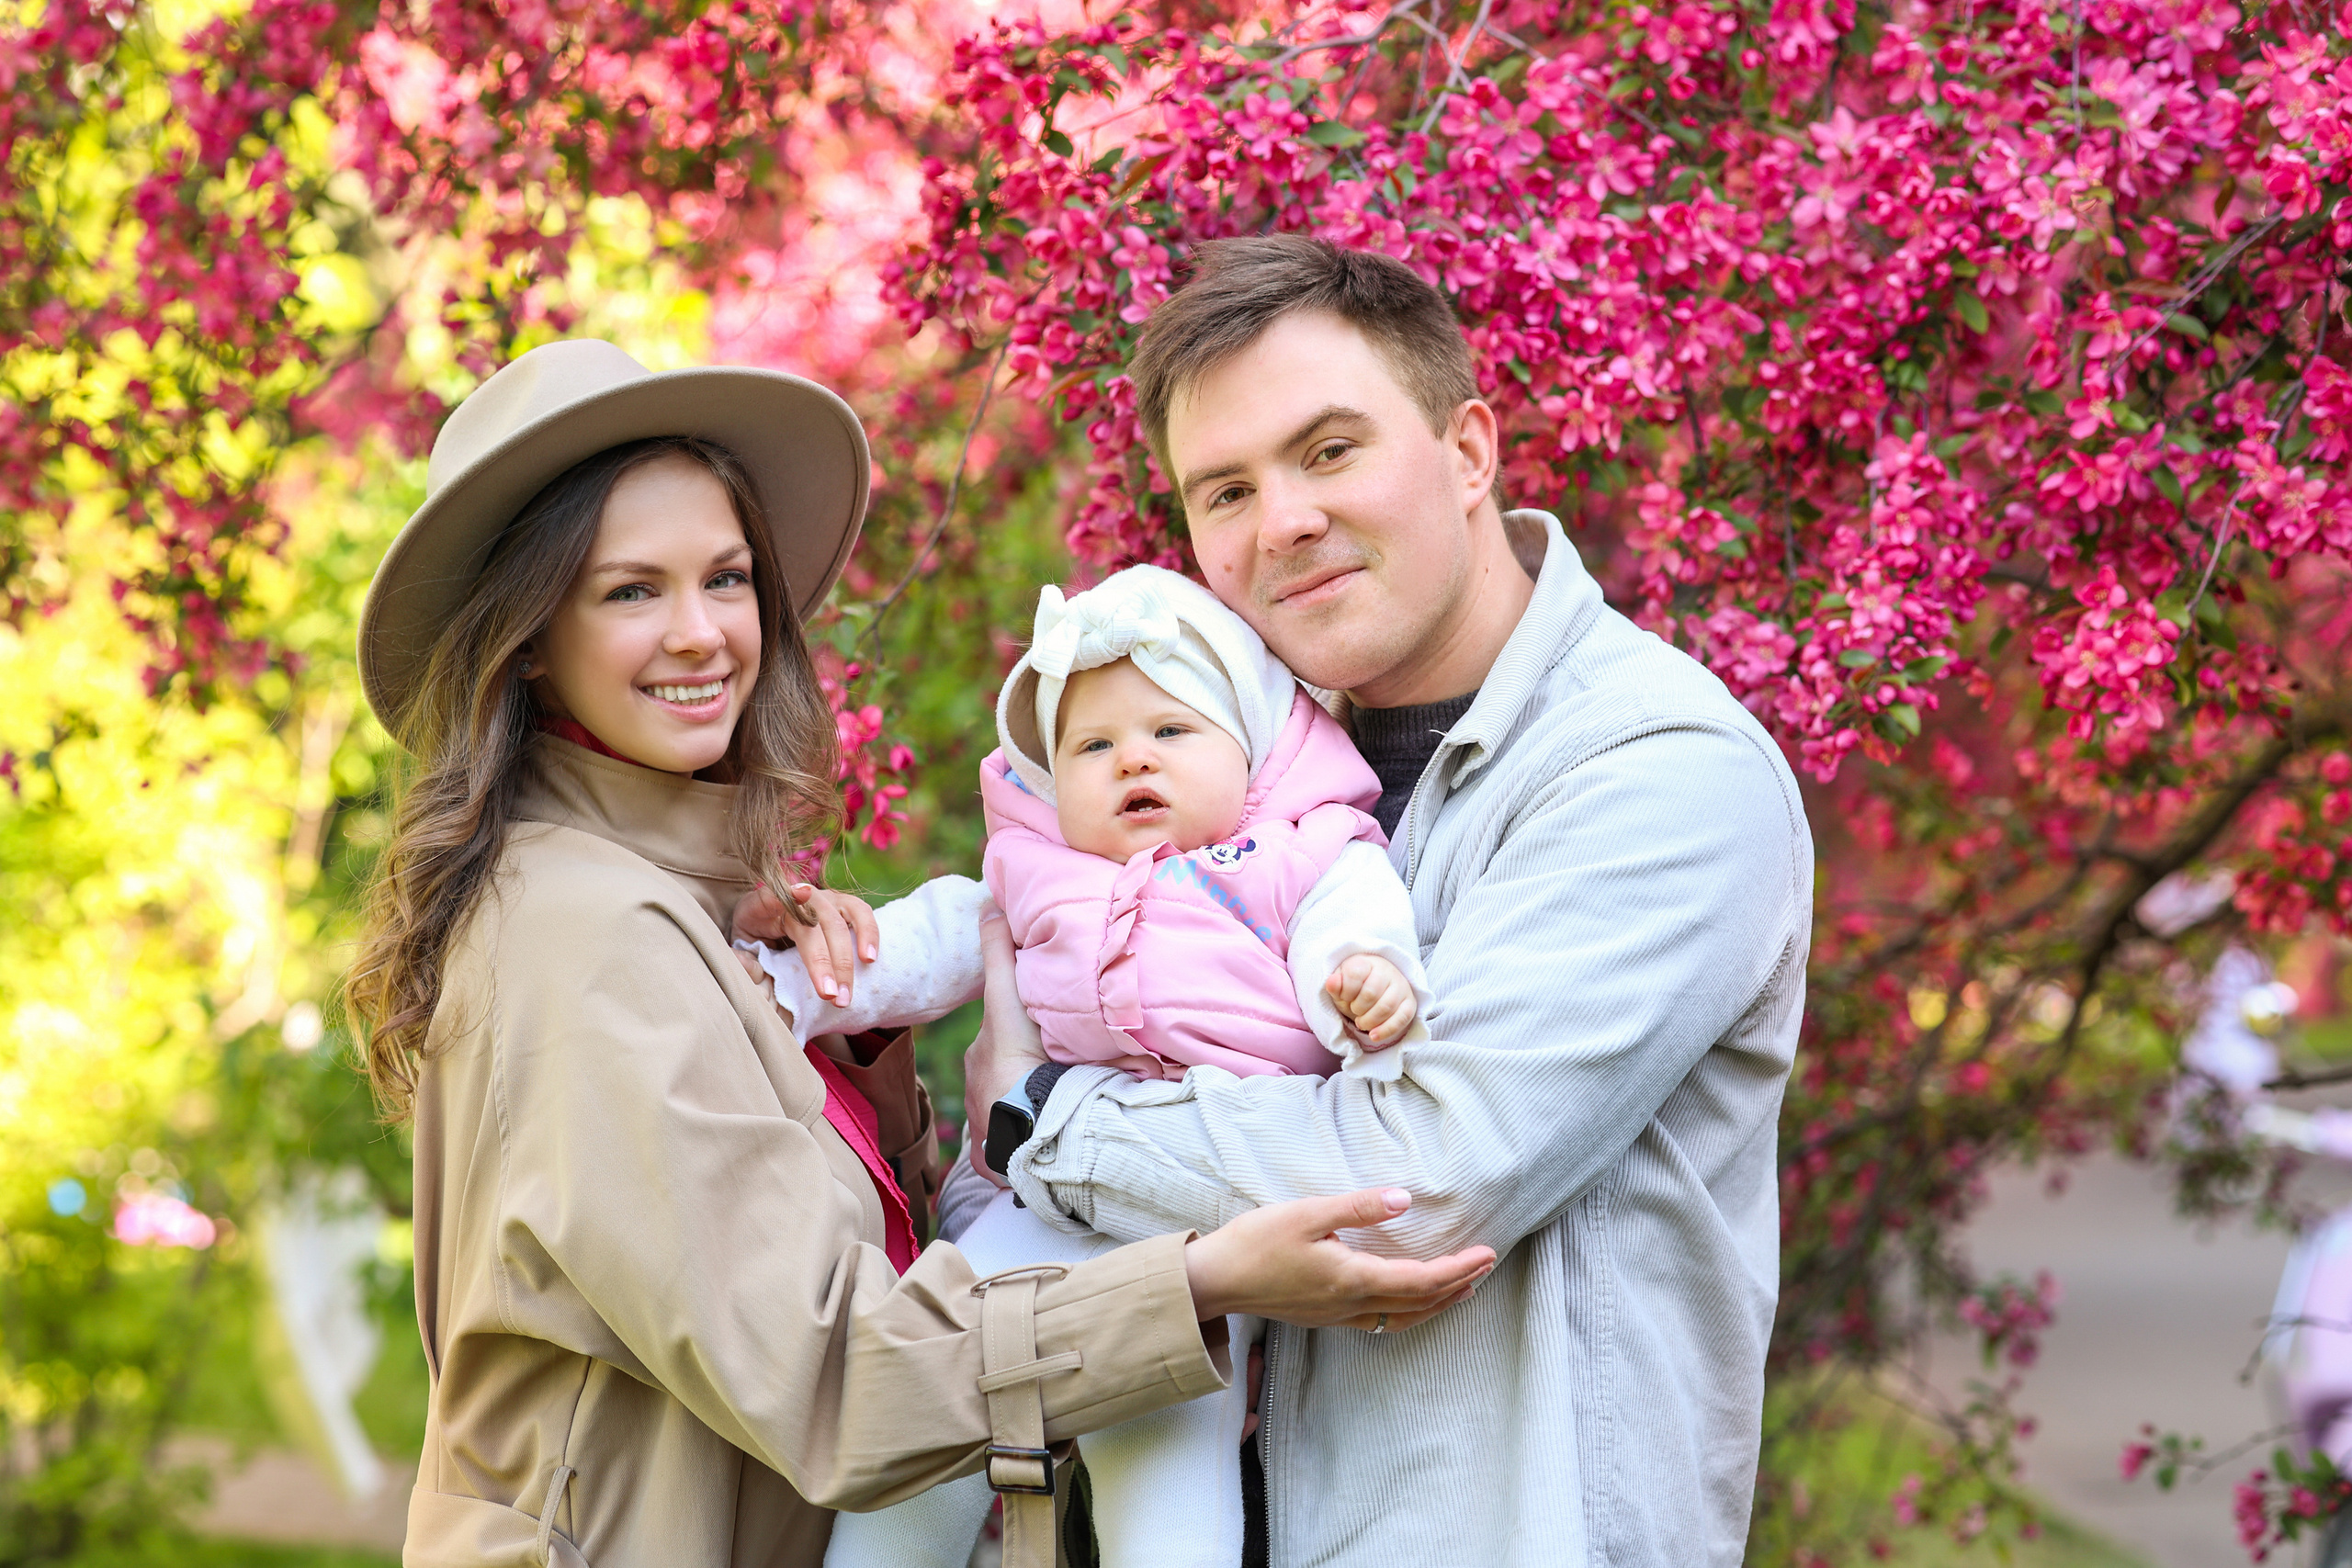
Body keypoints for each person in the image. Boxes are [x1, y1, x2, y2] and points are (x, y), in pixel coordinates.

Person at [343, 337, 1496, 1568]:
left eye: (726, 578)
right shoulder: (586, 928)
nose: (701, 633)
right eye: (630, 591)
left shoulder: (691, 906)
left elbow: (848, 1264)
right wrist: (1199, 1280)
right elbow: (836, 1375)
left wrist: (850, 1039)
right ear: (527, 635)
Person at [965, 235, 1815, 1568]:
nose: (1281, 523)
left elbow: (1410, 1184)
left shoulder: (1656, 769)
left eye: (1329, 451)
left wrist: (1046, 1114)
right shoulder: (1241, 781)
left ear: (1468, 451)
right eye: (1226, 490)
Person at [740, 564, 1430, 1568]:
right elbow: (920, 945)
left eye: (1171, 730)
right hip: (1033, 1206)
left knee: (1168, 1468)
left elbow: (1352, 922)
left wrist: (1364, 981)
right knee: (926, 1414)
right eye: (1092, 746)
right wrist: (795, 988)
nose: (1131, 759)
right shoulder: (1035, 876)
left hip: (1195, 1218)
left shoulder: (1300, 854)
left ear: (1254, 746)